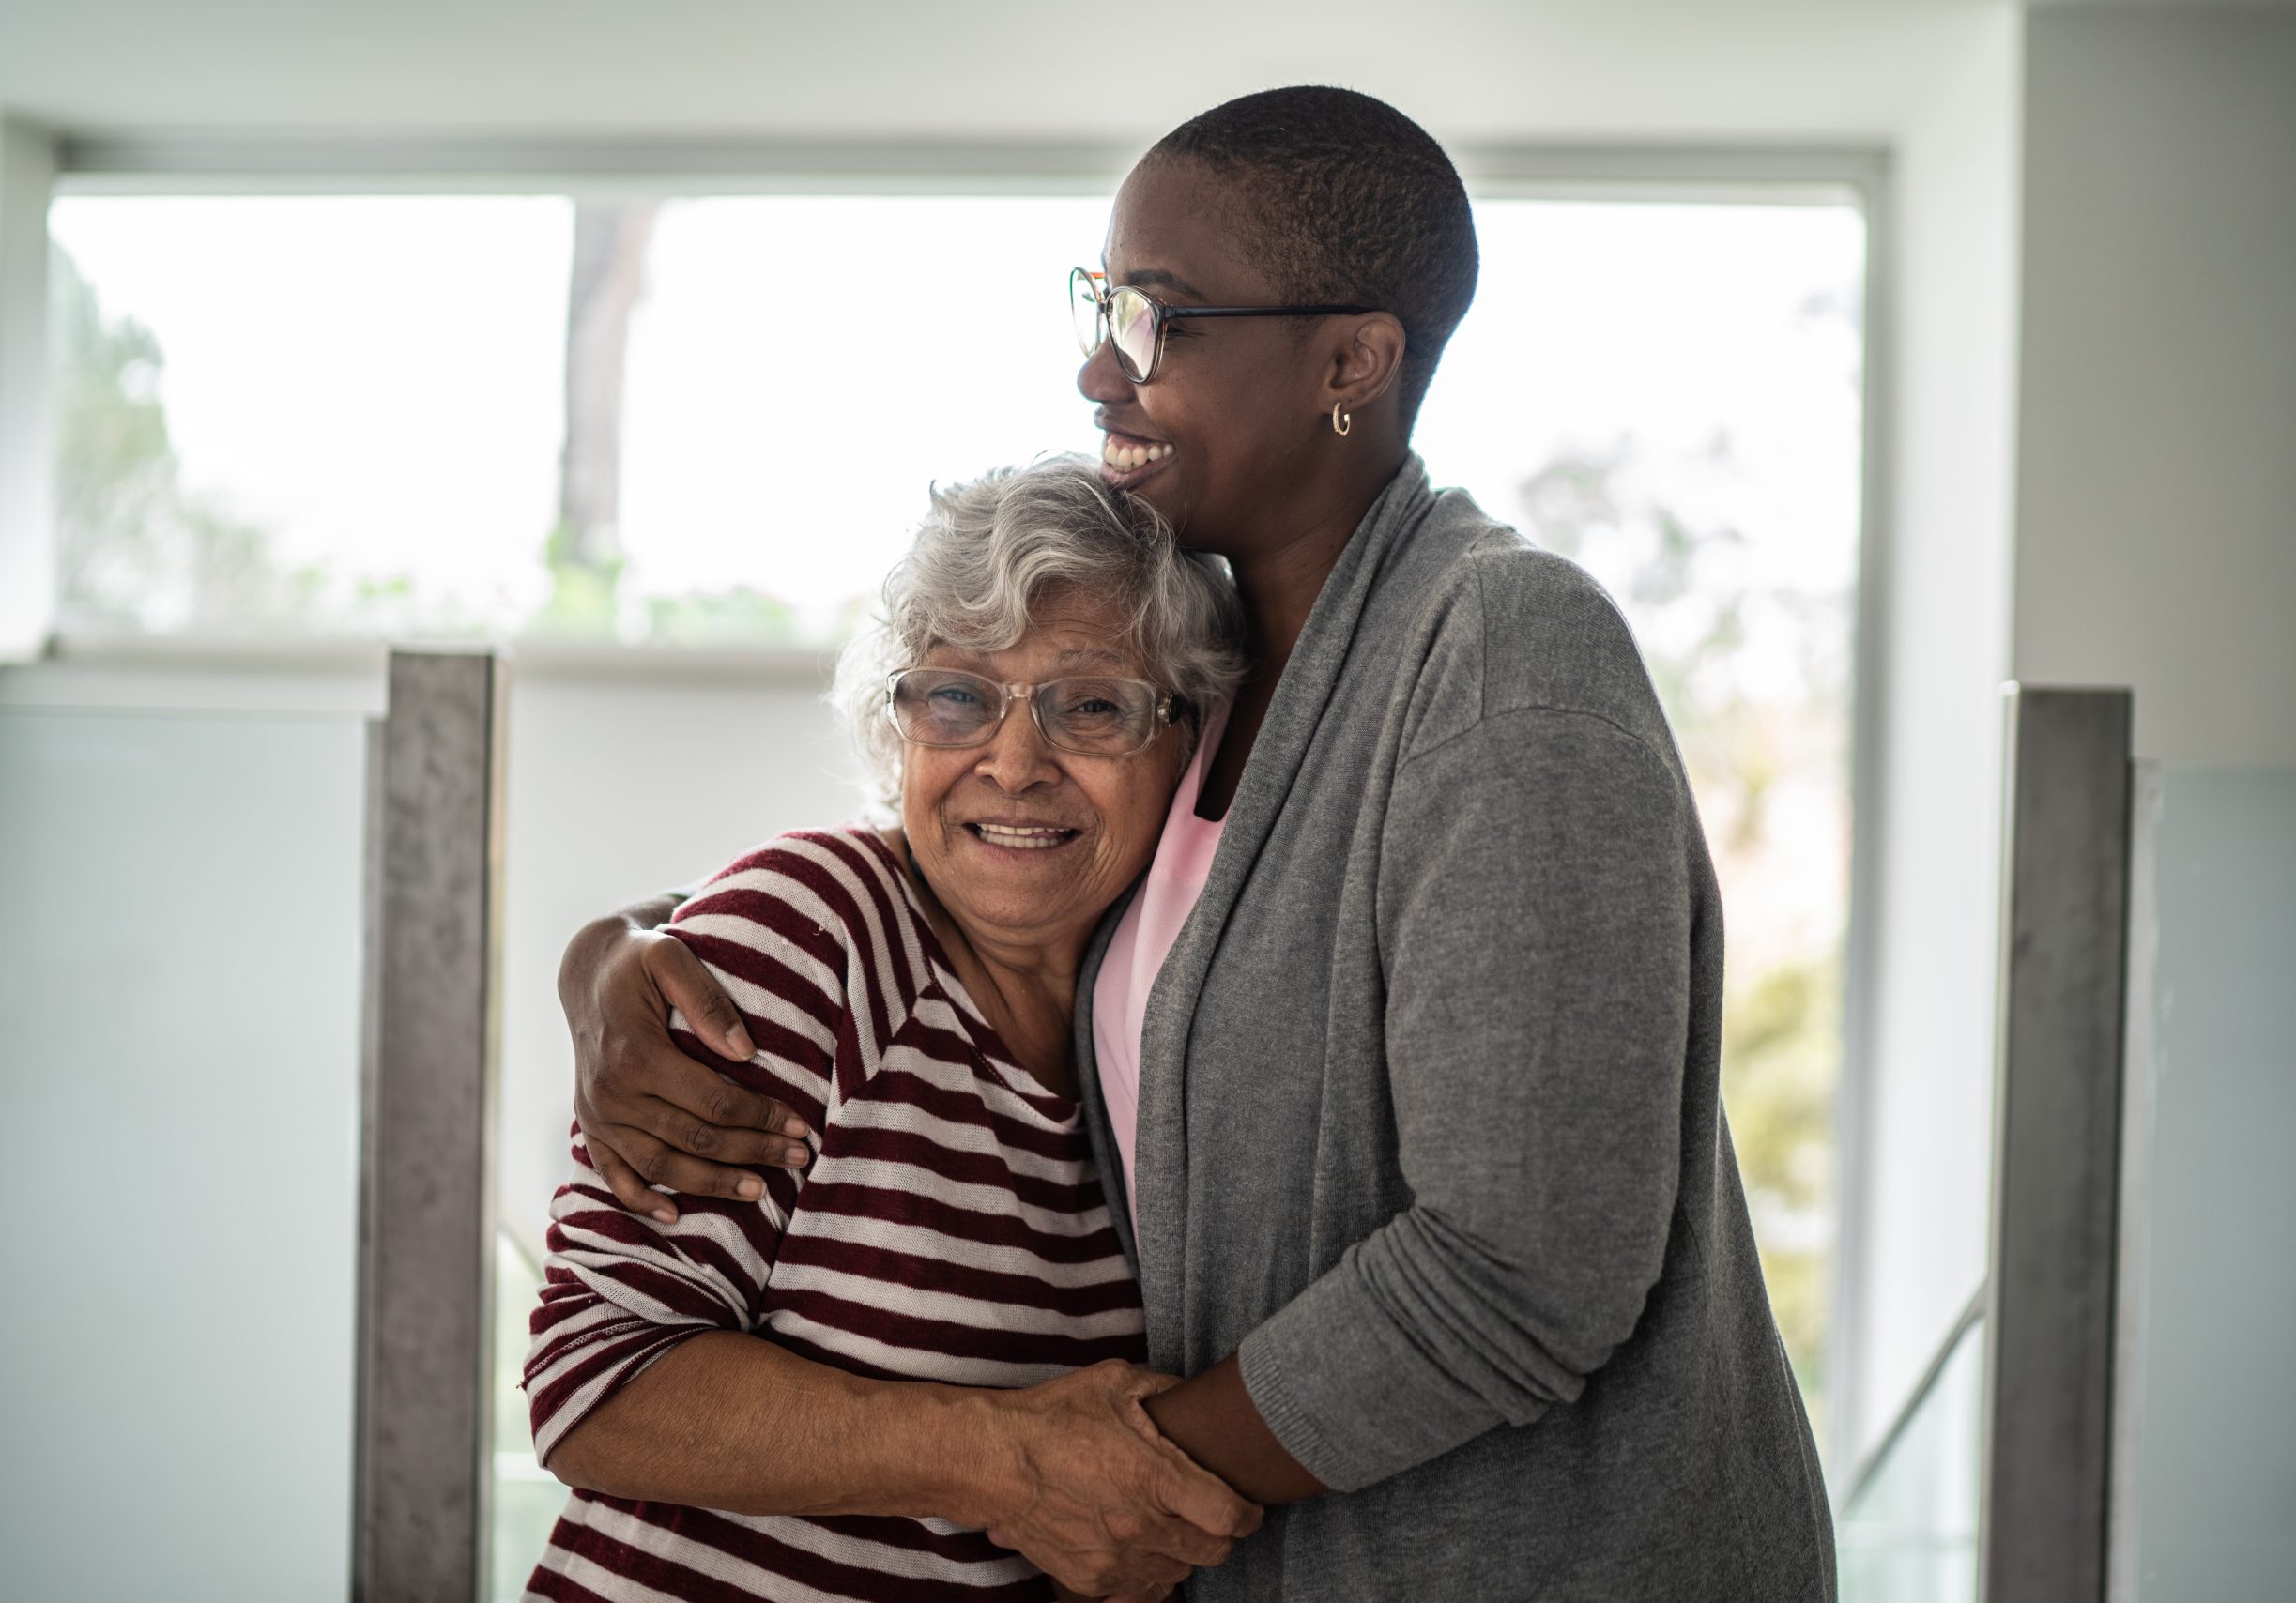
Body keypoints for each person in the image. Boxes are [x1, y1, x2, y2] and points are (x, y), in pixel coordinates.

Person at [560, 87, 1837, 1599]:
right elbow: (975, 857)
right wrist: (621, 956)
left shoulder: (1498, 650)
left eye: (1159, 319)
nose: (1099, 365)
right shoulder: (1227, 672)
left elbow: (1528, 1263)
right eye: (1103, 304)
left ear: (1351, 363)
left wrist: (1091, 1464)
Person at [522, 458, 1259, 1601]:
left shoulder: (1173, 1031)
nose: (1014, 765)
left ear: (1191, 739)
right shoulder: (813, 931)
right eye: (958, 695)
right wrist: (998, 1458)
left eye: (1093, 704)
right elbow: (591, 1385)